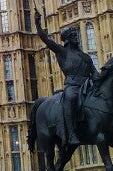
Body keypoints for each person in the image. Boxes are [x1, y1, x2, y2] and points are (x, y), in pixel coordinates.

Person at [34, 9, 97, 146]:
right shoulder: (62, 52)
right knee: (70, 99)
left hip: (88, 86)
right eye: (74, 35)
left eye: (76, 35)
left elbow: (95, 74)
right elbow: (46, 40)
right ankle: (71, 133)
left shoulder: (85, 57)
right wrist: (38, 24)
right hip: (73, 86)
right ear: (68, 39)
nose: (77, 38)